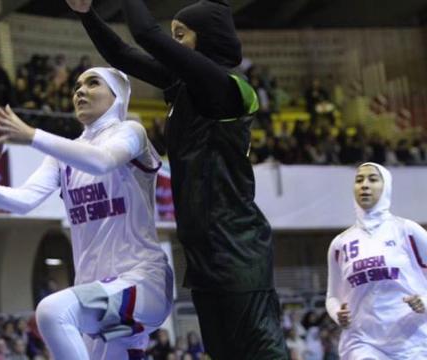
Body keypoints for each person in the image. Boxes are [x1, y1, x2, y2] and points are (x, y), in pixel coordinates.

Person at [66, 0, 287, 357]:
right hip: (204, 253)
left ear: (207, 38)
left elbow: (144, 34)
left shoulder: (225, 86)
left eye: (181, 36)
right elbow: (122, 53)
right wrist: (85, 12)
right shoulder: (185, 86)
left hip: (237, 248)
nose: (174, 45)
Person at [0, 67, 173, 359]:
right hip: (97, 292)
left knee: (52, 311)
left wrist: (32, 135)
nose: (80, 90)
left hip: (142, 282)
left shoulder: (132, 132)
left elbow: (102, 161)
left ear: (117, 96)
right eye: (76, 85)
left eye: (92, 83)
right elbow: (23, 200)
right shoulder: (63, 155)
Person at [325, 162, 427, 359]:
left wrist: (425, 300)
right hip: (362, 342)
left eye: (372, 179)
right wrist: (337, 313)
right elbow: (332, 296)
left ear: (386, 186)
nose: (364, 185)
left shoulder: (407, 230)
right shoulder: (340, 244)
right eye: (359, 180)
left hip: (411, 341)